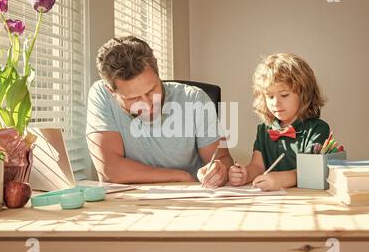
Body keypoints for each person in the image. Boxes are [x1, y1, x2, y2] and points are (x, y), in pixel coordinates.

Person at [86, 36, 233, 187]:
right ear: (111, 91)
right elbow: (109, 170)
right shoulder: (101, 95)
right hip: (133, 203)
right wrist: (179, 176)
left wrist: (220, 170)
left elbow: (223, 158)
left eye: (151, 90)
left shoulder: (195, 98)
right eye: (134, 98)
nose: (148, 104)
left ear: (156, 69)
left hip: (192, 199)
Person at [228, 53, 330, 191]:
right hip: (272, 202)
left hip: (307, 199)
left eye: (284, 95)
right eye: (270, 96)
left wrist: (282, 179)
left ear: (304, 94)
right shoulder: (264, 129)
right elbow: (258, 166)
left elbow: (311, 172)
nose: (276, 102)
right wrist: (245, 174)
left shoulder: (318, 129)